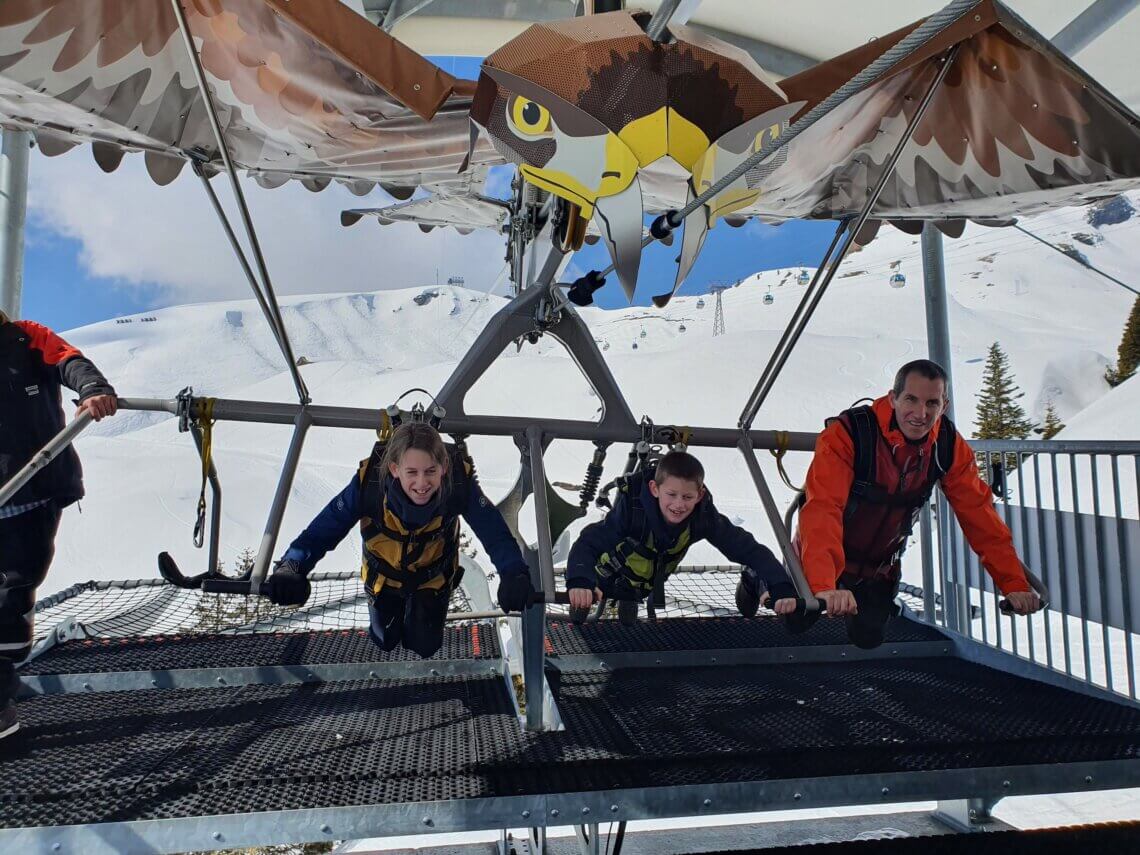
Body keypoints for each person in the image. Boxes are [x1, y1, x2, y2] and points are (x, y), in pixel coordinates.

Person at [796, 359, 1042, 649]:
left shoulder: (947, 446)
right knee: (799, 624)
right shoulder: (851, 433)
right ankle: (758, 579)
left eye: (932, 403)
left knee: (869, 638)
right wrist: (824, 584)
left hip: (878, 568)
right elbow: (824, 507)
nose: (921, 414)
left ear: (944, 405)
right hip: (822, 558)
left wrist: (1013, 583)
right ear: (893, 398)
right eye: (911, 400)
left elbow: (980, 517)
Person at [265, 421, 535, 657]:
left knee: (426, 644)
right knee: (385, 639)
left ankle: (421, 622)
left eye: (430, 471)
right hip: (384, 578)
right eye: (412, 473)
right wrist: (292, 567)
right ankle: (387, 622)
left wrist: (514, 574)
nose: (421, 483)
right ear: (394, 469)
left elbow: (494, 532)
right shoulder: (369, 486)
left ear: (443, 468)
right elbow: (324, 529)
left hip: (433, 577)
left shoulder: (457, 486)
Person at [0, 311, 118, 739]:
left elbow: (69, 360)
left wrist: (93, 390)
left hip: (31, 493)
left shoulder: (25, 339)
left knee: (11, 592)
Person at [566, 450, 797, 625]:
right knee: (580, 613)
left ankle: (627, 608)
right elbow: (589, 542)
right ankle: (582, 608)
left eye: (687, 497)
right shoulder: (632, 512)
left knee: (628, 626)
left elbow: (748, 549)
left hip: (644, 583)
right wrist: (580, 581)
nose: (678, 504)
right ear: (655, 489)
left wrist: (781, 586)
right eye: (671, 494)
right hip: (603, 578)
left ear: (700, 495)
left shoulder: (701, 517)